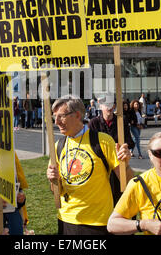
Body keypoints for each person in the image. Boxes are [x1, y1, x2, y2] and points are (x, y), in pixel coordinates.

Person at [46, 95, 133, 235]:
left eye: (61, 116)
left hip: (97, 222)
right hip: (66, 220)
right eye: (54, 117)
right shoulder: (57, 146)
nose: (56, 122)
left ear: (77, 115)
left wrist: (126, 164)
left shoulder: (102, 141)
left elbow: (127, 182)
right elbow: (57, 190)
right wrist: (53, 180)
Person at [88, 96, 135, 205]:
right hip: (102, 167)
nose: (109, 108)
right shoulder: (93, 123)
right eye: (106, 105)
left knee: (123, 196)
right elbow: (91, 145)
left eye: (111, 105)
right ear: (100, 106)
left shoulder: (120, 121)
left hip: (119, 164)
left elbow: (130, 141)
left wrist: (125, 147)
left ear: (114, 106)